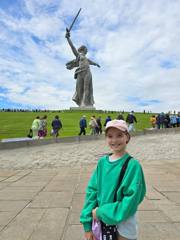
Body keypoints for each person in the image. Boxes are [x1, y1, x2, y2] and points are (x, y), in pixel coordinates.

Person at [80, 120, 146, 240]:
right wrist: (87, 224)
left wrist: (101, 212)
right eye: (110, 136)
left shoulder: (133, 166)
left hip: (123, 225)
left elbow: (131, 202)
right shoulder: (102, 163)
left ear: (127, 137)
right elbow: (92, 192)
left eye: (119, 135)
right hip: (101, 223)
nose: (114, 140)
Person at [65, 30, 100, 107]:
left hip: (87, 72)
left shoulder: (86, 58)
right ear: (83, 49)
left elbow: (92, 62)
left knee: (86, 88)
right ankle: (80, 102)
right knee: (79, 88)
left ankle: (84, 103)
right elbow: (72, 47)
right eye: (86, 49)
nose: (87, 51)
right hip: (80, 72)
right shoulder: (78, 55)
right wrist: (68, 38)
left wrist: (96, 64)